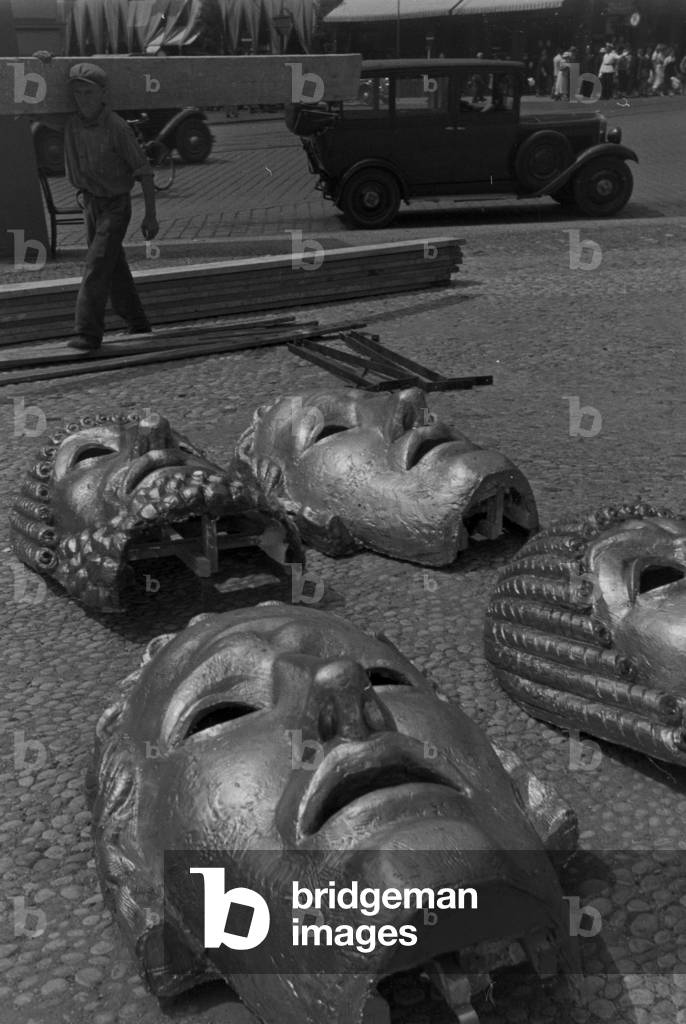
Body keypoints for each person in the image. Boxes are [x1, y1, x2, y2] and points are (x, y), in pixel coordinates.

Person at [63, 63, 159, 352]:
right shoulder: (71, 123)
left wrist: (150, 216)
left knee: (95, 266)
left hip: (116, 206)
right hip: (91, 203)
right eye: (77, 92)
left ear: (103, 93)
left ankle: (87, 333)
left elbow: (144, 171)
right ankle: (137, 321)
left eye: (88, 92)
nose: (83, 98)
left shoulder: (116, 127)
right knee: (112, 267)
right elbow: (28, 107)